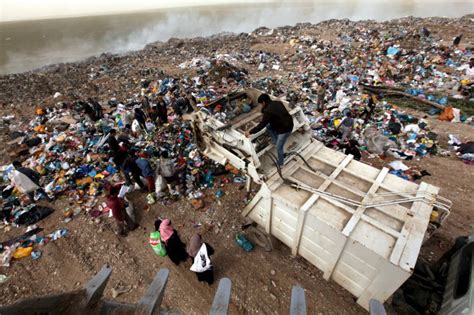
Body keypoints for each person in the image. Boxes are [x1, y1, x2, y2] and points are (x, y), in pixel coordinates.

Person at [245, 94, 294, 166]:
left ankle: (280, 163)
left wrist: (250, 132)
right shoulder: (278, 102)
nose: (261, 106)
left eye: (261, 104)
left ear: (264, 102)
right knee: (268, 126)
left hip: (285, 130)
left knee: (278, 147)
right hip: (289, 123)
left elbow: (262, 125)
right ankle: (275, 141)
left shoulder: (267, 111)